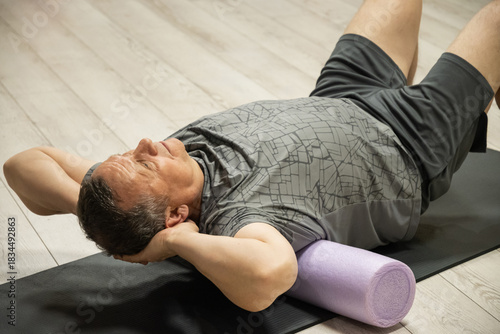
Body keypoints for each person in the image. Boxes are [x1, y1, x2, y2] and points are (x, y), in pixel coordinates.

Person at [4, 0, 500, 313]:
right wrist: (174, 245)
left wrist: (95, 215)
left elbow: (21, 166)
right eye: (145, 165)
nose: (144, 145)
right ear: (176, 215)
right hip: (408, 143)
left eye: (132, 155)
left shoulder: (130, 189)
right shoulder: (239, 219)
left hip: (340, 93)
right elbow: (270, 276)